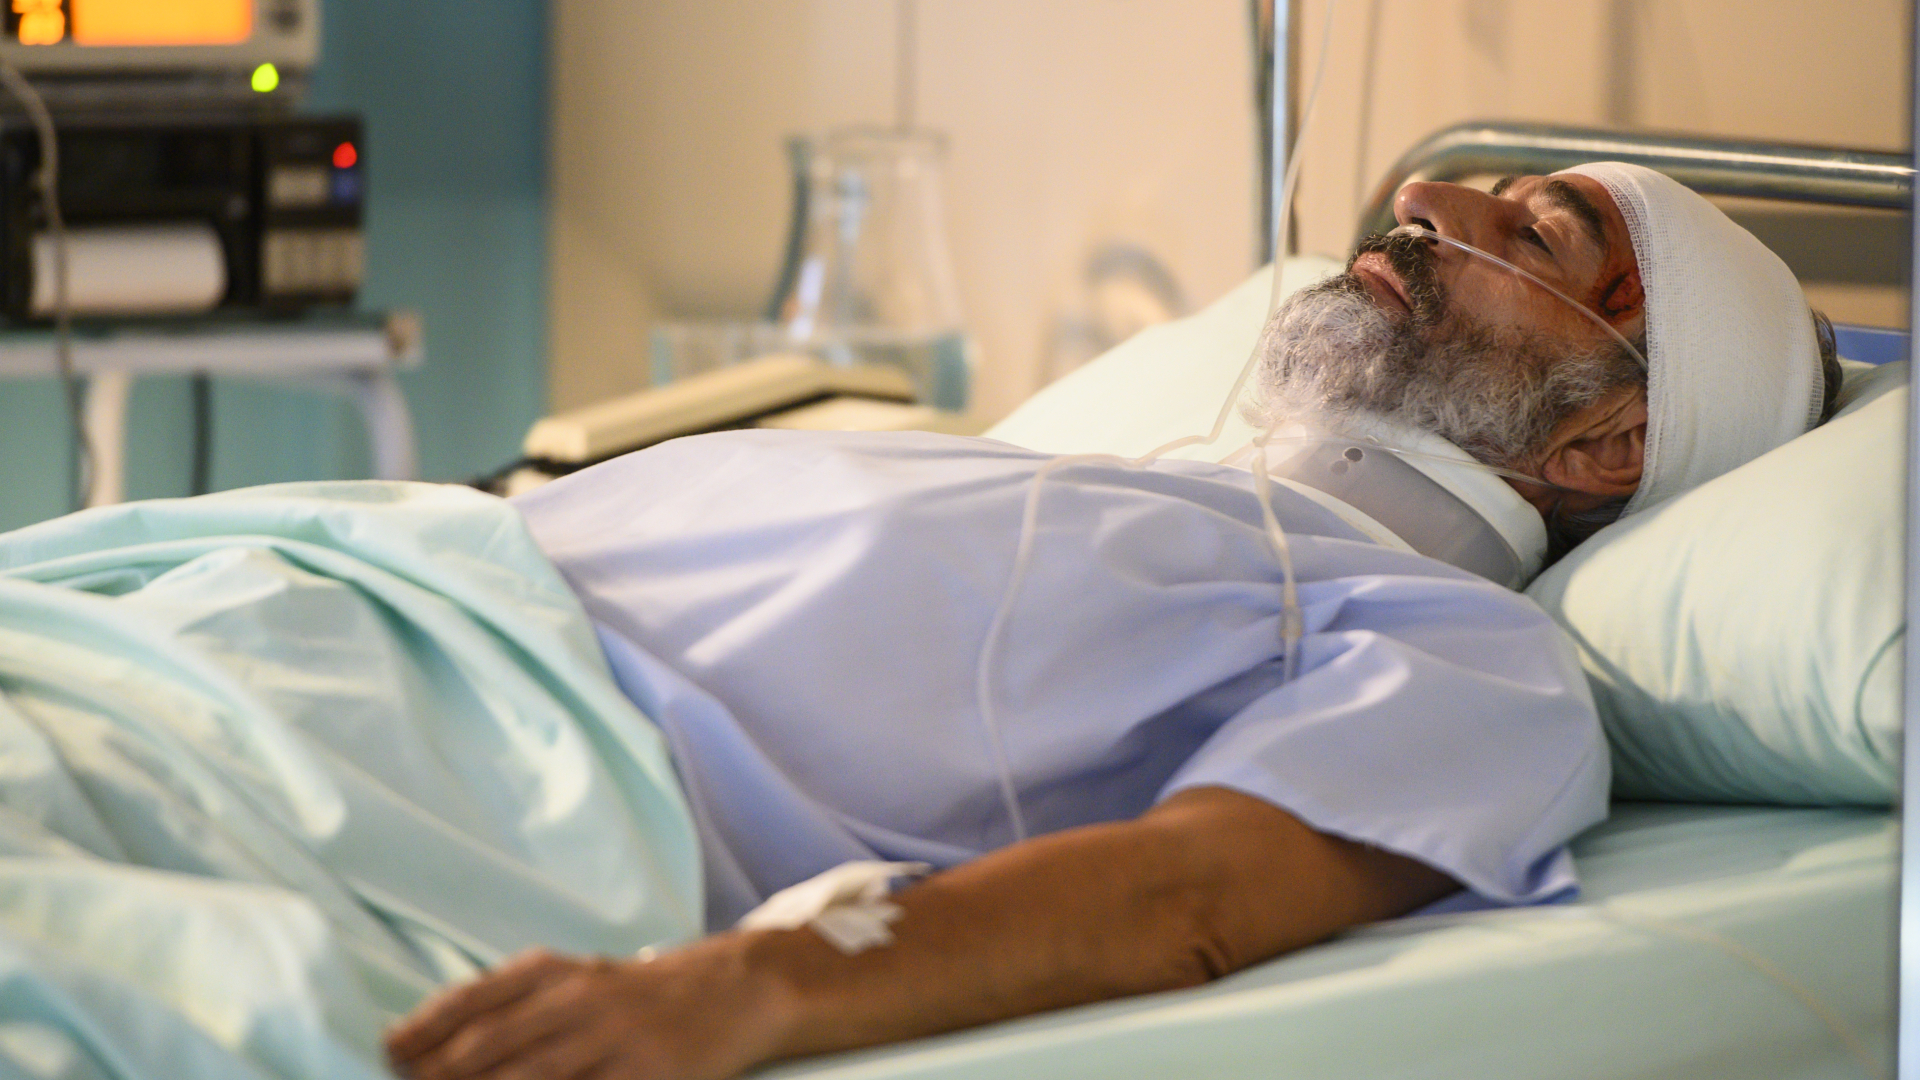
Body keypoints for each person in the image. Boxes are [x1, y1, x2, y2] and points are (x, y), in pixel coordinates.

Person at [385, 164, 1841, 1080]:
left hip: (482, 770)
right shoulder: (1125, 478)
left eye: (1535, 233)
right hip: (368, 586)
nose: (1429, 200)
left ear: (1608, 443)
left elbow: (1185, 896)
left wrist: (747, 991)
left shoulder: (1467, 654)